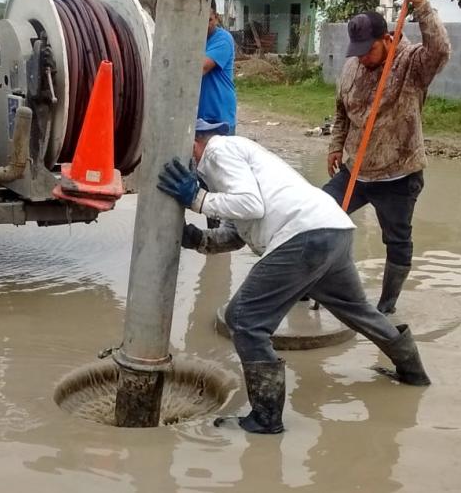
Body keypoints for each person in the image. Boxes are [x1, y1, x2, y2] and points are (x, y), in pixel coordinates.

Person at [156, 119, 431, 434]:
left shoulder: (218, 152)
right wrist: (194, 237)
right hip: (332, 229)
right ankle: (413, 372)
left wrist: (196, 199)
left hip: (302, 234)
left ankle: (266, 418)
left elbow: (250, 205)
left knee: (244, 318)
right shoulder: (242, 161)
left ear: (194, 143)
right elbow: (238, 232)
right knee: (356, 310)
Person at [324, 0, 449, 314]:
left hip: (398, 174)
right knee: (319, 215)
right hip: (356, 170)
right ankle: (314, 283)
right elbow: (341, 110)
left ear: (387, 40)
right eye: (358, 50)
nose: (363, 57)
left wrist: (421, 5)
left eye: (369, 50)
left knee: (397, 241)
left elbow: (440, 50)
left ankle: (386, 307)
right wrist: (336, 146)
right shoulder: (353, 65)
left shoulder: (411, 63)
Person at [198, 0, 237, 134]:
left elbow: (201, 68)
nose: (205, 25)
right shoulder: (195, 39)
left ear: (216, 18)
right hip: (199, 117)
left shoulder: (223, 39)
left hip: (219, 116)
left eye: (209, 20)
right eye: (201, 19)